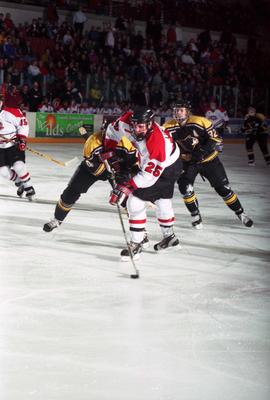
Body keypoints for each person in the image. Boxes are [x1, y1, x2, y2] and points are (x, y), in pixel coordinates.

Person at [104, 108, 182, 260]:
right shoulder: (125, 123)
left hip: (167, 166)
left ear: (150, 124)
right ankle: (170, 238)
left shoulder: (157, 143)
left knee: (135, 199)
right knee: (162, 199)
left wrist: (125, 188)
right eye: (135, 126)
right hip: (172, 159)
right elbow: (111, 132)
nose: (137, 130)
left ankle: (137, 243)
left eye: (141, 127)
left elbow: (148, 176)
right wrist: (111, 152)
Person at [163, 101, 253, 229]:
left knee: (223, 189)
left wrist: (201, 152)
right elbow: (163, 144)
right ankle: (195, 215)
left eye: (181, 110)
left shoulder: (200, 121)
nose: (178, 112)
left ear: (187, 111)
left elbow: (216, 139)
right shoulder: (167, 126)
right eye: (176, 110)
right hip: (187, 163)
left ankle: (240, 213)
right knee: (185, 188)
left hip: (209, 160)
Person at [43, 122, 139, 233]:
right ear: (103, 132)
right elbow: (96, 170)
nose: (111, 136)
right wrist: (110, 174)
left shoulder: (127, 143)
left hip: (118, 169)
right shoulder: (92, 143)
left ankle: (139, 232)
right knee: (71, 192)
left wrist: (124, 176)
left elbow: (133, 164)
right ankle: (57, 219)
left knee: (128, 198)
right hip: (92, 170)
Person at [0, 94, 35, 199]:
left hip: (13, 145)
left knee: (18, 166)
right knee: (4, 172)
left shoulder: (9, 112)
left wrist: (22, 139)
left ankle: (29, 187)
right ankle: (20, 182)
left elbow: (23, 124)